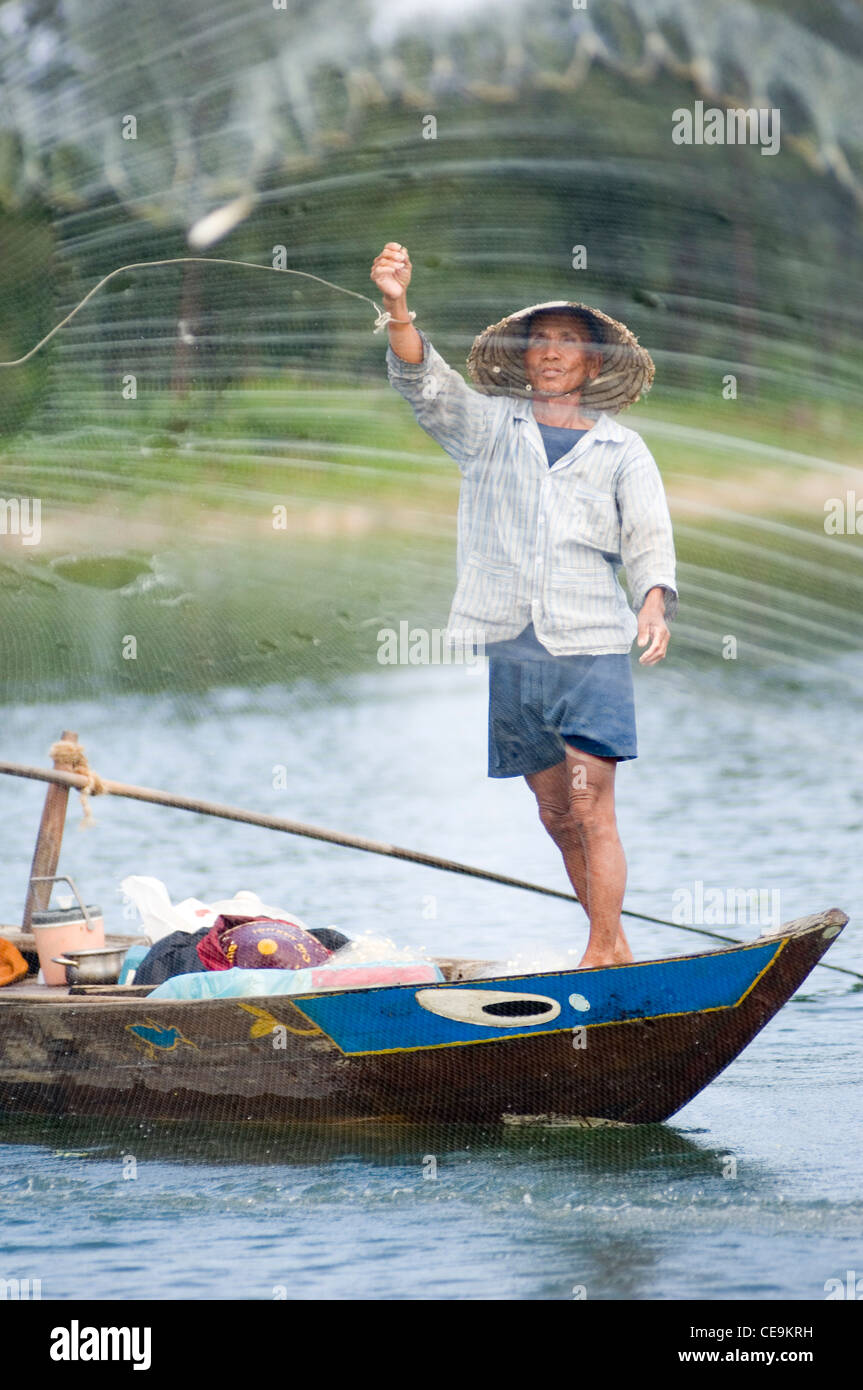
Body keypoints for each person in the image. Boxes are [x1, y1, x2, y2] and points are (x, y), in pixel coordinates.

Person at [371, 242, 677, 969]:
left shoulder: (619, 450)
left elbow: (648, 534)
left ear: (591, 363)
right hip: (513, 644)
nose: (549, 353)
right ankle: (616, 947)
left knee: (590, 803)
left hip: (590, 645)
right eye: (539, 340)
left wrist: (653, 604)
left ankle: (599, 948)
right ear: (523, 357)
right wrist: (395, 305)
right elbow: (423, 382)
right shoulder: (486, 429)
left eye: (567, 343)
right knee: (552, 811)